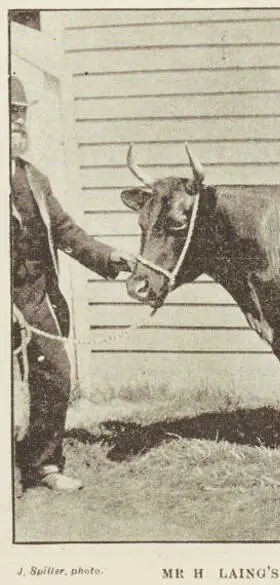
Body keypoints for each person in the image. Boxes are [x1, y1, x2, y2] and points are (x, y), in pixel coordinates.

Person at [11, 75, 135, 492]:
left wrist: (107, 257)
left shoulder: (33, 179)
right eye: (8, 114)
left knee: (55, 374)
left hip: (34, 298)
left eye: (20, 115)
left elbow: (65, 231)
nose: (16, 123)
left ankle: (43, 466)